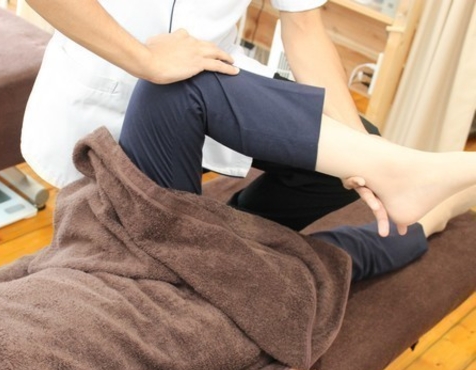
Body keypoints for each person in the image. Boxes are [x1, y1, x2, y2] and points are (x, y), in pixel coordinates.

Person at [0, 71, 476, 370]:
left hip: (107, 255)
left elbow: (6, 283)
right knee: (327, 261)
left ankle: (400, 173)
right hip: (184, 324)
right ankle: (438, 209)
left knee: (177, 88)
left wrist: (84, 241)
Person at [20, 0, 378, 230]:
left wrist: (365, 153)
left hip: (215, 79)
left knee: (345, 158)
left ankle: (226, 239)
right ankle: (192, 249)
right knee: (157, 230)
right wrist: (148, 61)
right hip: (109, 80)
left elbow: (304, 28)